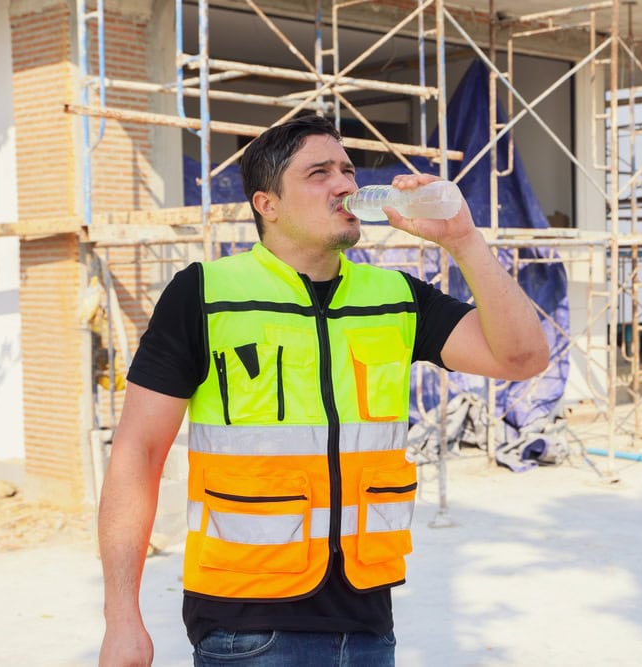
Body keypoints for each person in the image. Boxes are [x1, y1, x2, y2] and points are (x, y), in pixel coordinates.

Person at [97, 114, 549, 667]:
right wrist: (122, 618)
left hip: (365, 624)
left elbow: (524, 357)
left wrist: (464, 239)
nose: (344, 185)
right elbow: (137, 454)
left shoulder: (396, 297)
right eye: (319, 172)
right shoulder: (206, 294)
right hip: (245, 627)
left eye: (347, 170)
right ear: (268, 204)